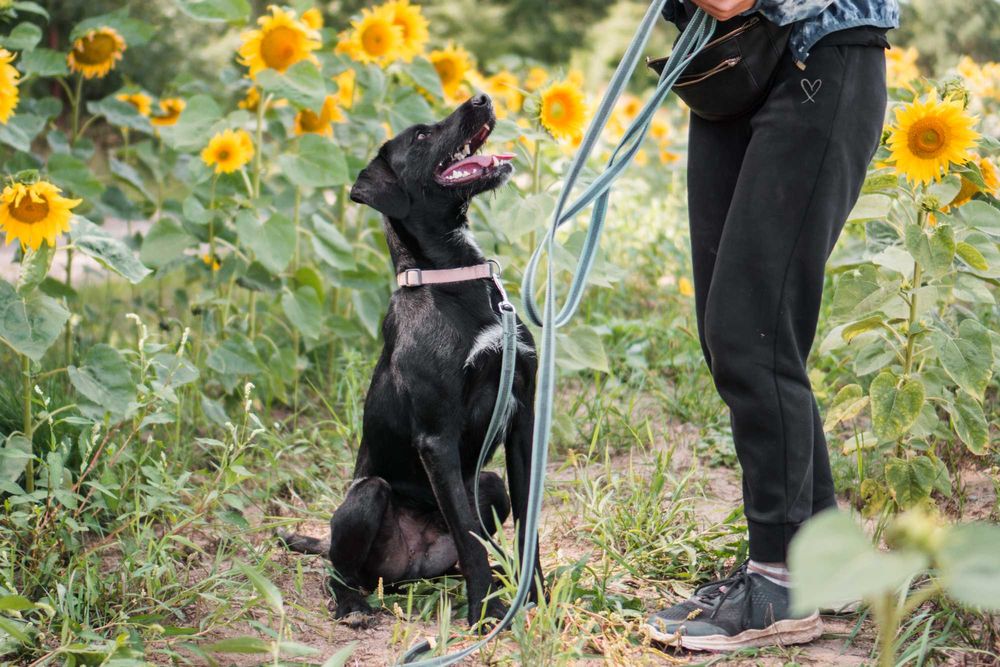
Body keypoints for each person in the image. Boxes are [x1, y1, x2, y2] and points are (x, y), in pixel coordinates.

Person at [644, 0, 900, 651]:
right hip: (729, 62)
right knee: (733, 330)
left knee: (750, 328)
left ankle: (778, 582)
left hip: (819, 55)